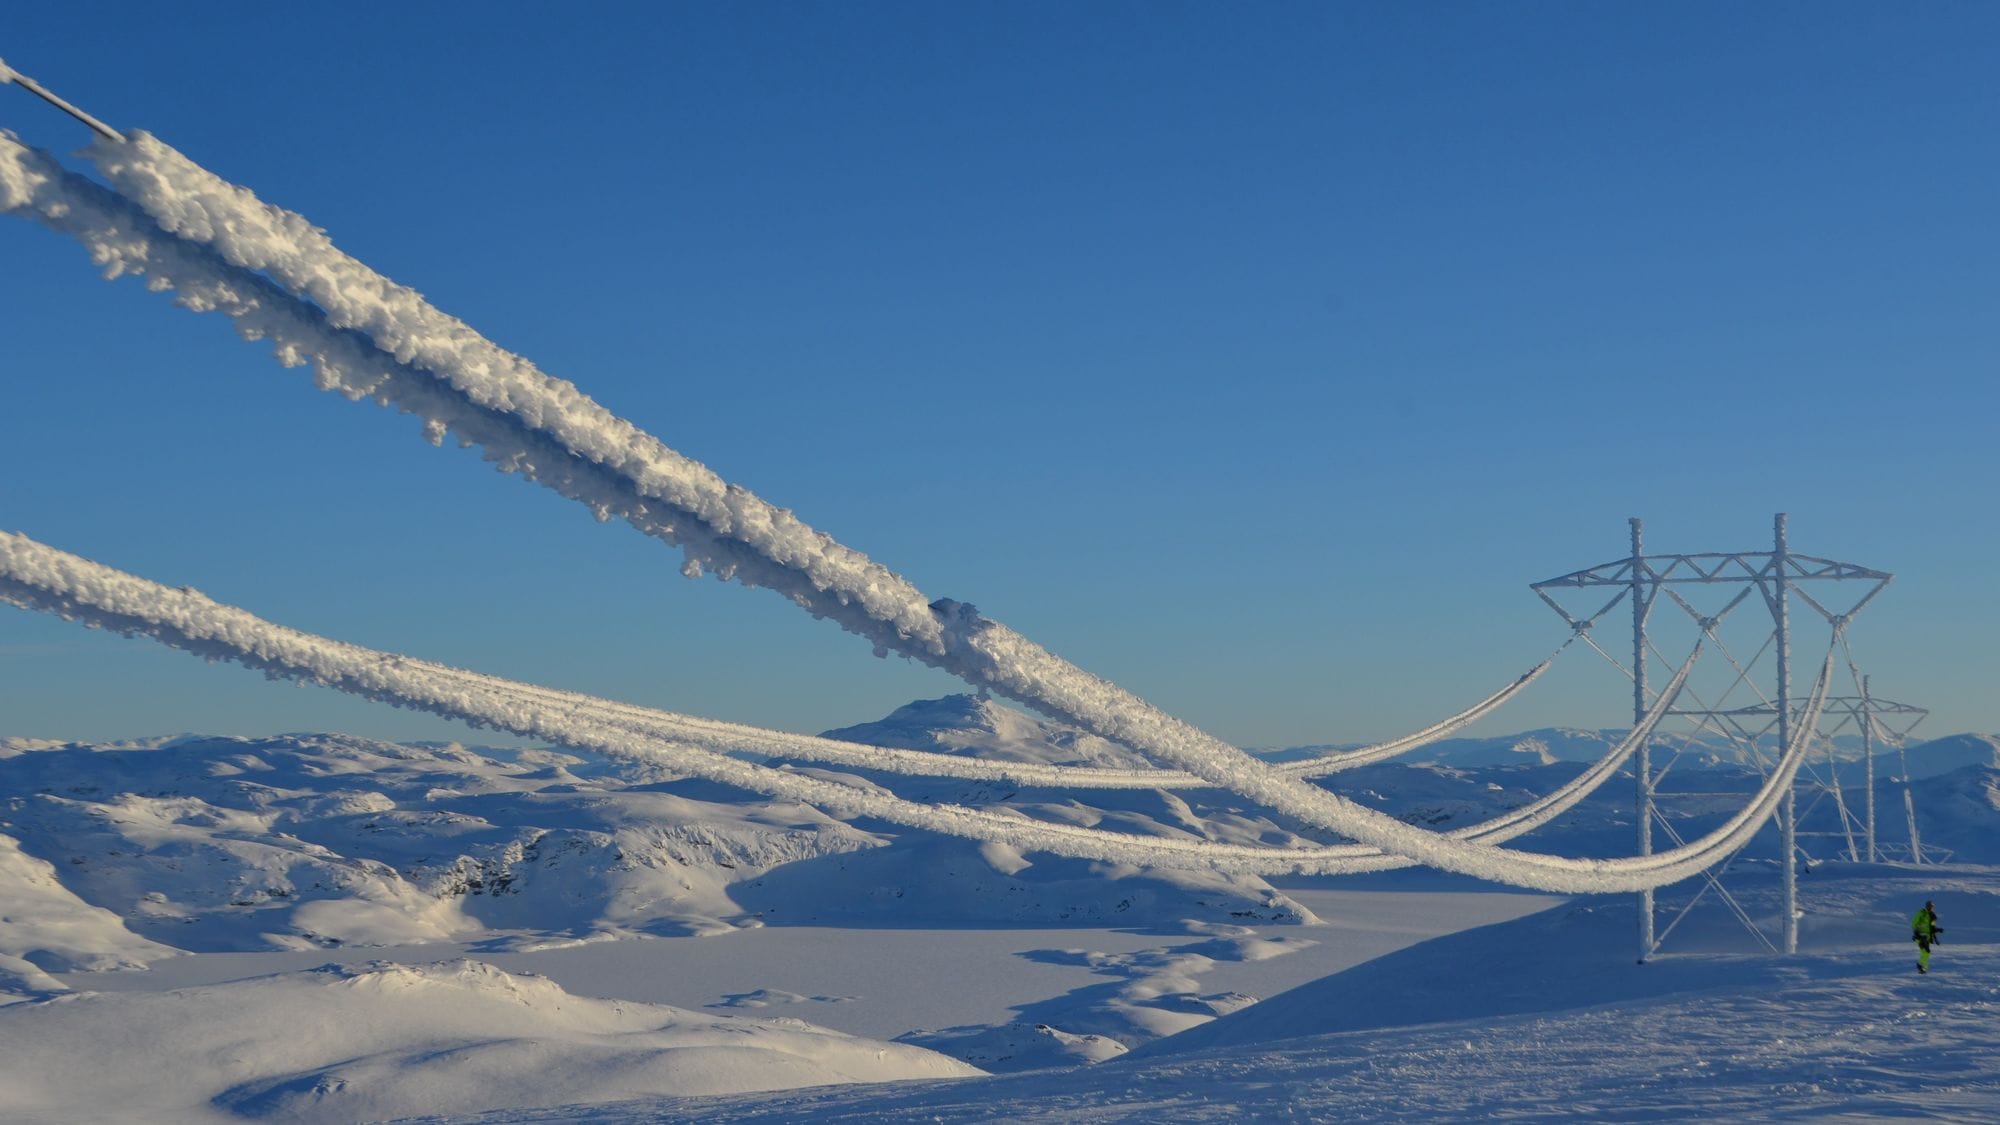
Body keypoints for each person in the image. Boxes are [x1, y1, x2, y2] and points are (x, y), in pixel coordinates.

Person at [1912, 900, 1943, 974]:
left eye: (1931, 906)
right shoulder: (1921, 913)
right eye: (1929, 906)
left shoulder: (1933, 916)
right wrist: (1916, 932)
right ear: (1926, 906)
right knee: (1926, 951)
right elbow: (1914, 923)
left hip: (1927, 937)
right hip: (1920, 936)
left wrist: (1937, 932)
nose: (1930, 908)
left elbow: (1932, 928)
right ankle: (1922, 966)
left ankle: (1923, 968)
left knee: (1926, 952)